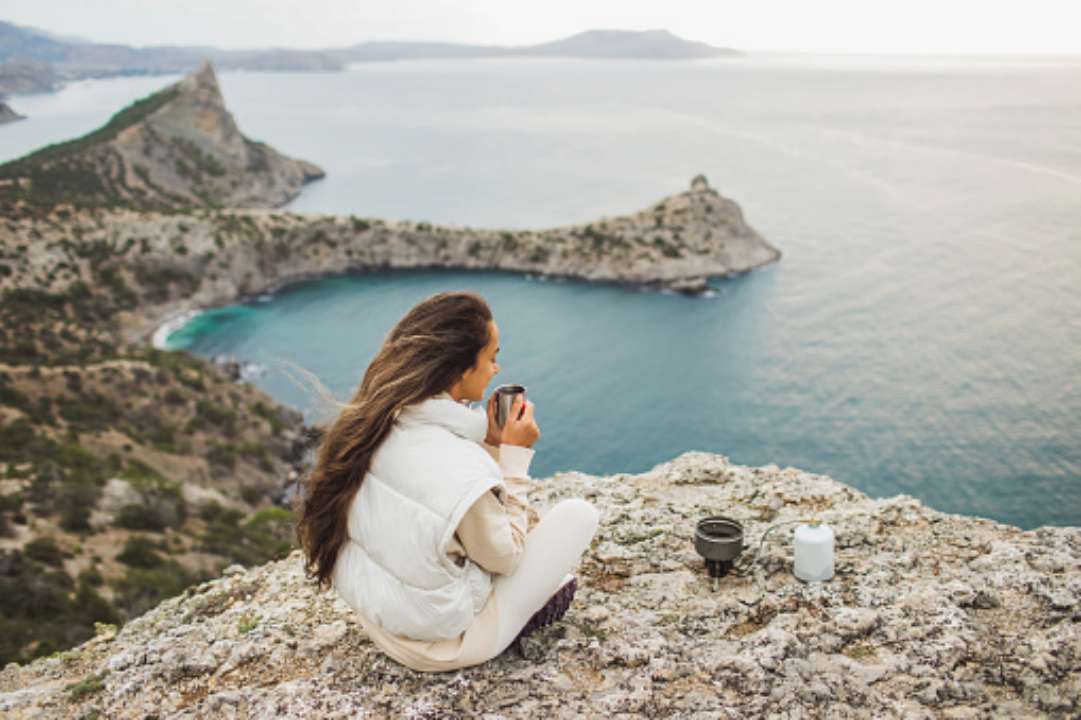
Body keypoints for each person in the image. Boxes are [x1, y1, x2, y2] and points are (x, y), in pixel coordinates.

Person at [295, 290, 600, 672]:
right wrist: (514, 457)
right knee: (579, 515)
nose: (496, 370)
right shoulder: (459, 467)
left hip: (383, 622)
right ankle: (520, 617)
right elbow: (505, 556)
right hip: (444, 646)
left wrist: (489, 442)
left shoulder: (371, 422)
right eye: (492, 357)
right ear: (459, 370)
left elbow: (438, 506)